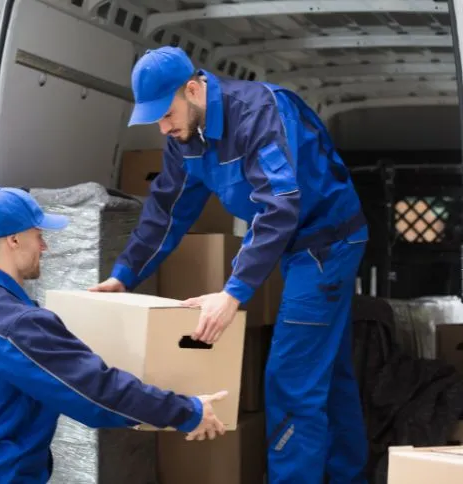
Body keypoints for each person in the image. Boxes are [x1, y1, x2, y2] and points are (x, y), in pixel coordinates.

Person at [90, 46, 369, 483]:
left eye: (167, 114)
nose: (164, 128)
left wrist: (232, 293)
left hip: (326, 244)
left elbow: (279, 207)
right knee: (328, 373)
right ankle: (349, 476)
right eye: (156, 120)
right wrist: (123, 276)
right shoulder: (184, 139)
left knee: (290, 380)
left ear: (194, 88)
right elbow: (167, 211)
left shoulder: (257, 114)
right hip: (296, 245)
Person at [0, 186, 228, 483]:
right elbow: (98, 393)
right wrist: (188, 411)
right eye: (39, 236)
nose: (45, 247)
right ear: (14, 240)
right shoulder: (17, 324)